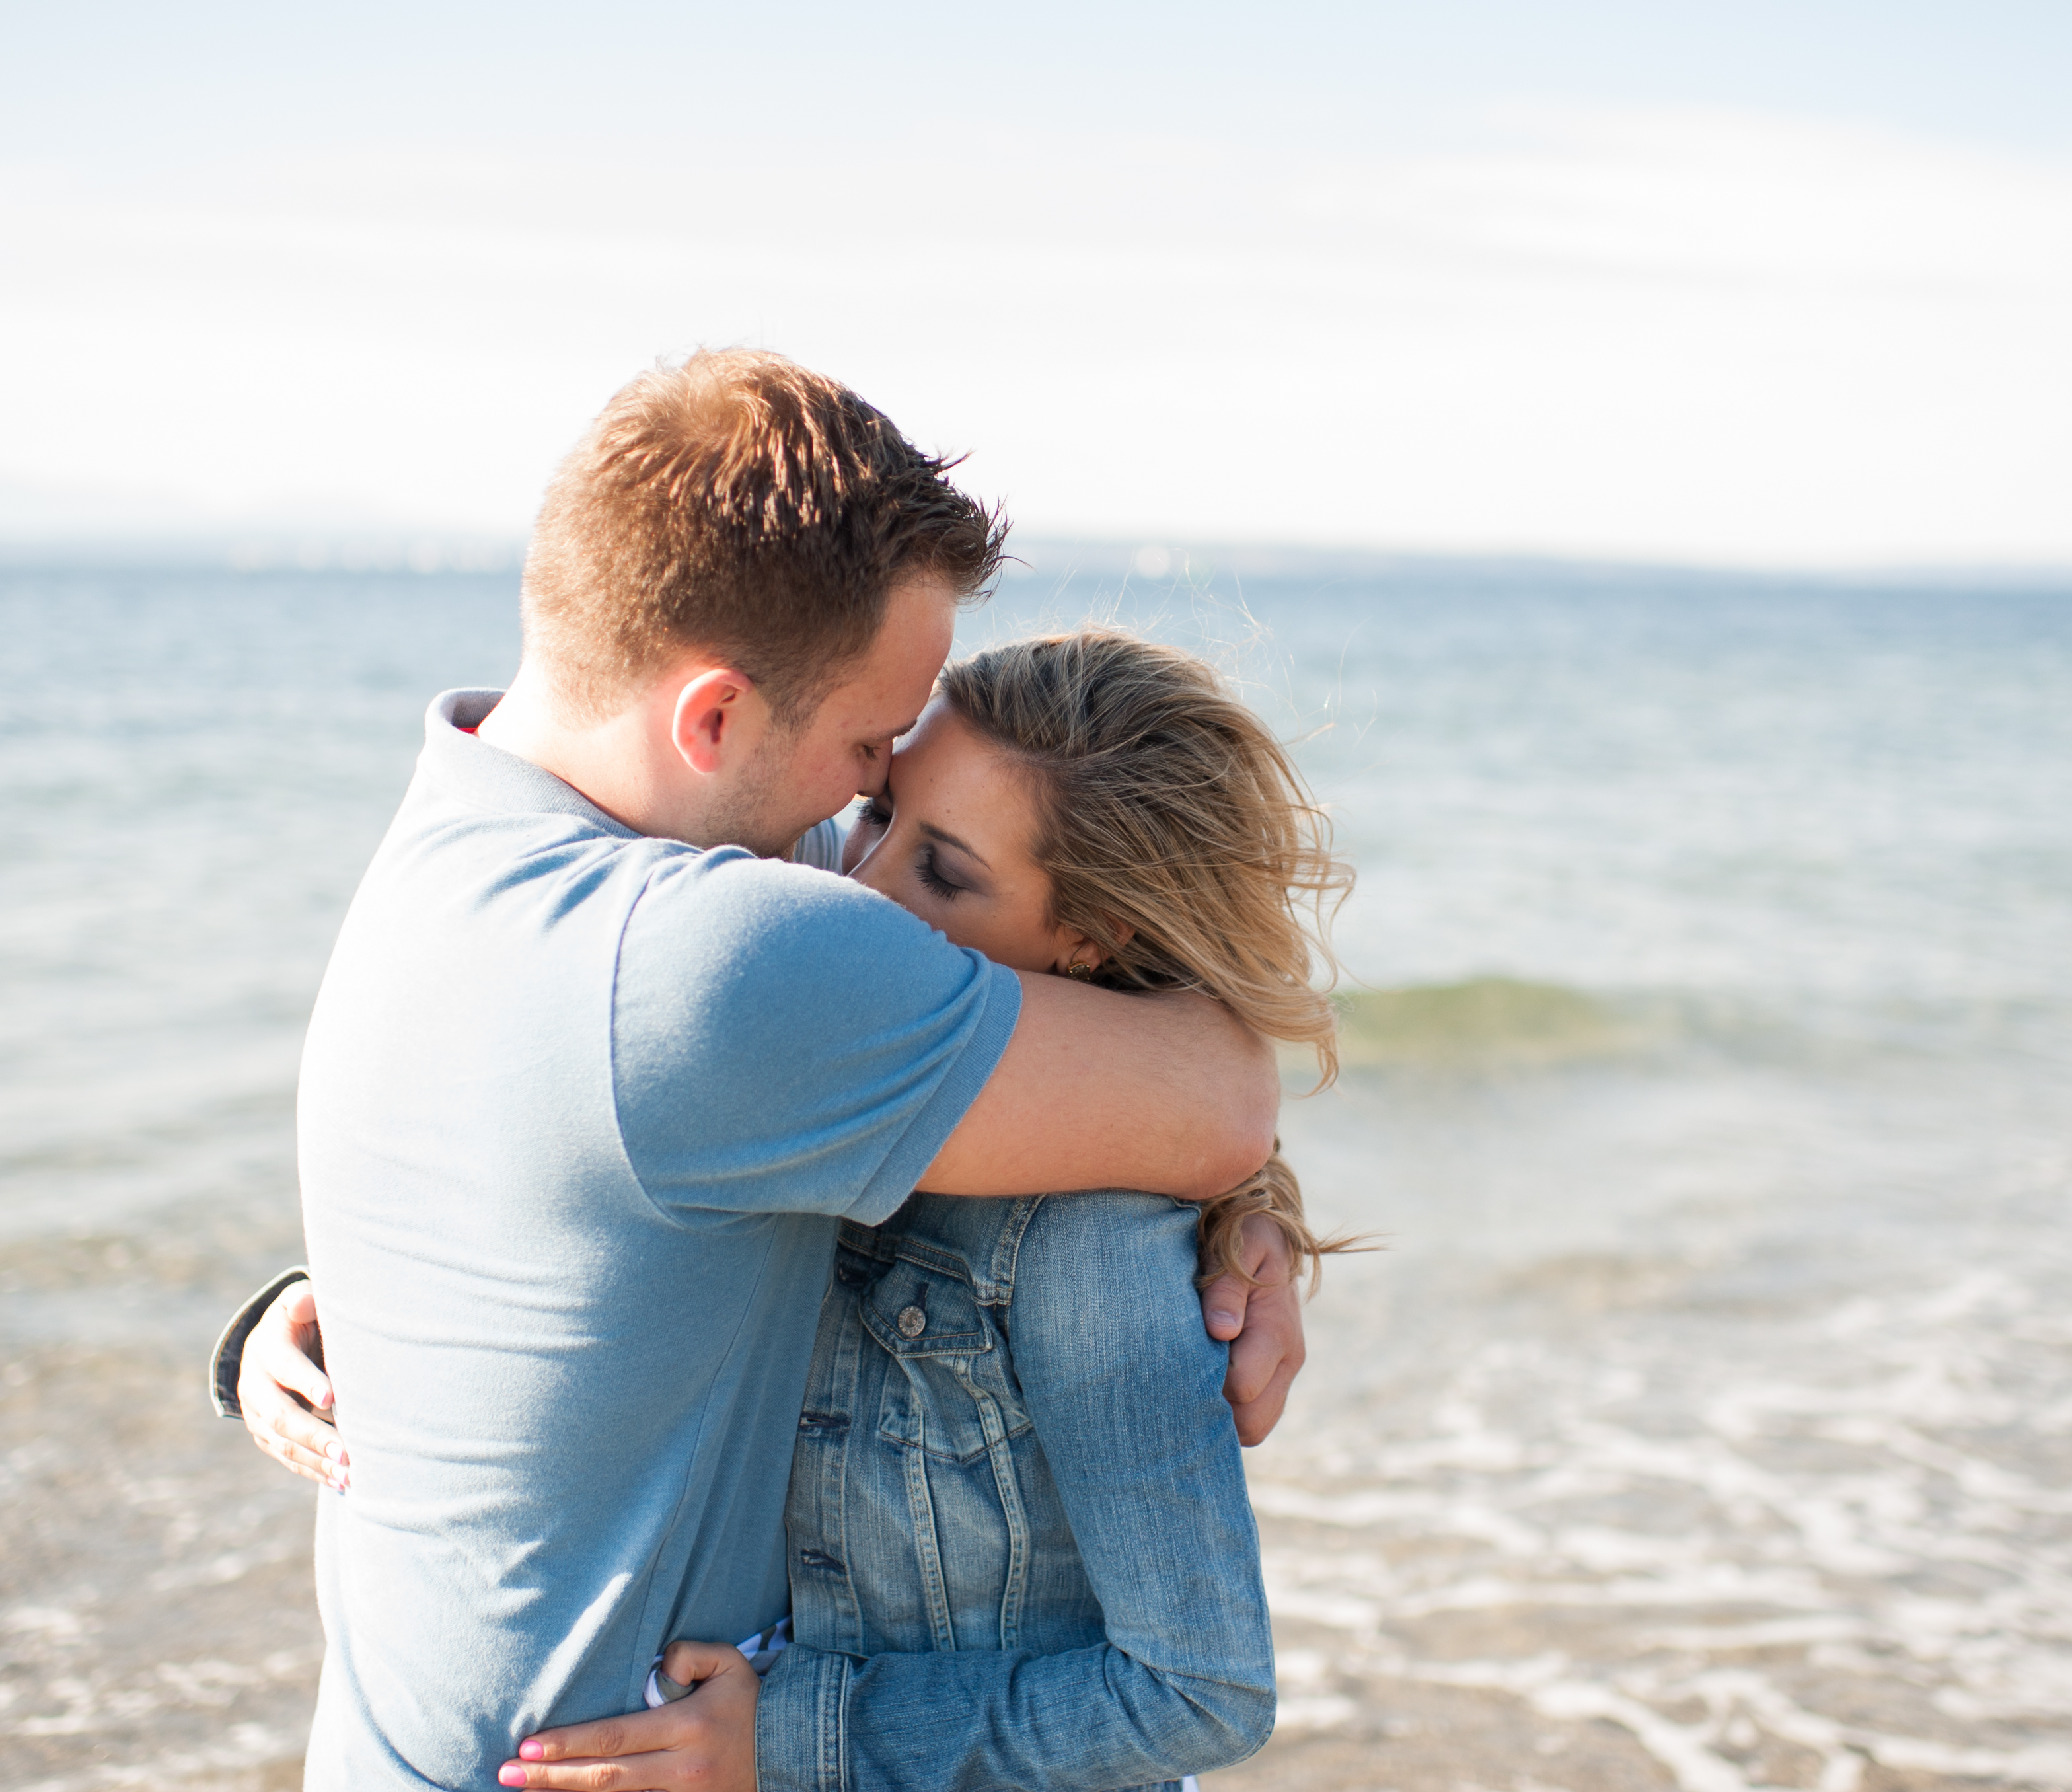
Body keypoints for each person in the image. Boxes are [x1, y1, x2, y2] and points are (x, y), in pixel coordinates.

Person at [215, 349, 1307, 1792]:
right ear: (716, 718)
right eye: (868, 753)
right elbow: (1220, 1098)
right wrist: (1244, 1187)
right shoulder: (715, 954)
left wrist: (318, 1312)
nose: (854, 829)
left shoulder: (463, 835)